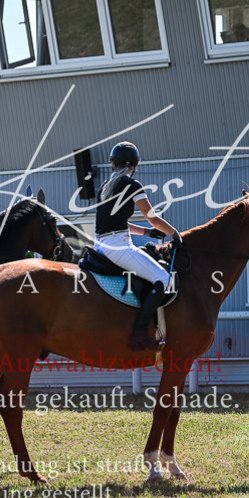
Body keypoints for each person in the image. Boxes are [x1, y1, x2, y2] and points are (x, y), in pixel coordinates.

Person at [94, 142, 180, 351]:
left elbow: (116, 223)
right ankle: (140, 334)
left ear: (112, 163)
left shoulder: (105, 187)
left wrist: (146, 233)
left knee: (149, 252)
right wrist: (174, 233)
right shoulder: (132, 185)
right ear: (135, 165)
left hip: (100, 245)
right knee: (164, 279)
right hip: (119, 248)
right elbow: (153, 218)